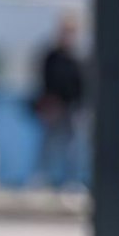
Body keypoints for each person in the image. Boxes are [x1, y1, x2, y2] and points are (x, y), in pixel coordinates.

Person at [32, 14, 85, 188]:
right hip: (53, 108)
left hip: (72, 109)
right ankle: (41, 177)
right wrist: (48, 102)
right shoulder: (52, 56)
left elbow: (83, 84)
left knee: (73, 147)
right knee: (48, 143)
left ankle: (71, 181)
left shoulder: (77, 58)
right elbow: (45, 80)